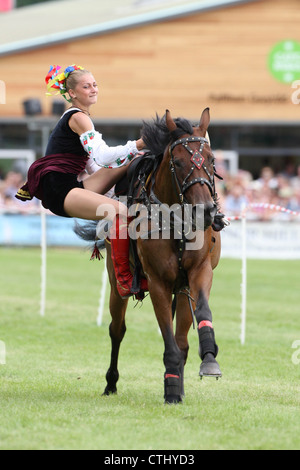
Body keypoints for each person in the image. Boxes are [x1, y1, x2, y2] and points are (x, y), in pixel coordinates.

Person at [16, 64, 147, 298]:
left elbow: (96, 167)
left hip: (71, 185)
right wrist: (137, 144)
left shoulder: (83, 118)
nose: (93, 89)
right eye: (86, 86)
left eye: (95, 85)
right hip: (60, 190)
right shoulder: (78, 118)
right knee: (121, 212)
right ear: (73, 93)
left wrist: (133, 158)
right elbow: (104, 156)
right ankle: (125, 280)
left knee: (134, 160)